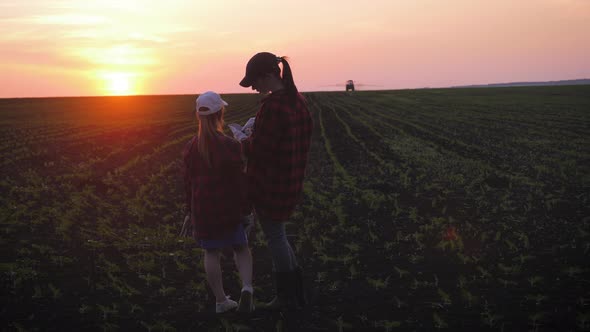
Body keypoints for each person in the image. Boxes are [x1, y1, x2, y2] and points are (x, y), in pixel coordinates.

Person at [238, 52, 313, 309]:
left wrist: (243, 142)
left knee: (275, 237)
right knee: (279, 234)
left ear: (268, 75)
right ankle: (295, 293)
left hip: (271, 185)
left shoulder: (274, 106)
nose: (254, 88)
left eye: (254, 81)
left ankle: (286, 298)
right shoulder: (298, 101)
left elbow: (262, 150)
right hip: (290, 181)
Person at [182, 91, 254, 313]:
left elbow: (188, 184)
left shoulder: (191, 147)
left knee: (211, 253)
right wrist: (246, 210)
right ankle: (247, 288)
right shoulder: (231, 145)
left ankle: (221, 301)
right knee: (241, 247)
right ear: (220, 113)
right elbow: (240, 182)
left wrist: (190, 212)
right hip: (229, 208)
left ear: (198, 116)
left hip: (203, 210)